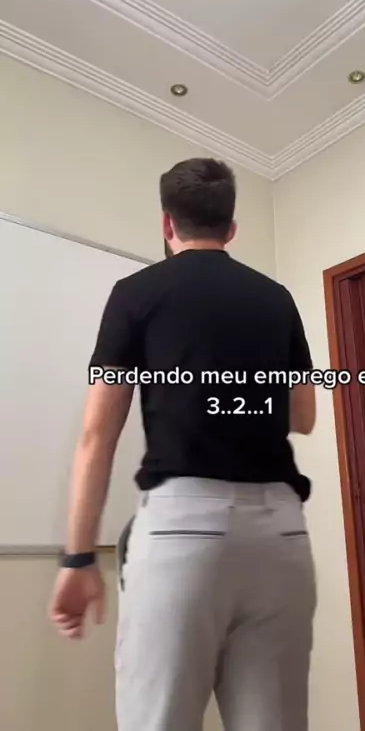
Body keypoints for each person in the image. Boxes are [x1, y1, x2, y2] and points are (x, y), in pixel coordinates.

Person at [50, 158, 317, 731]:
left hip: (183, 531)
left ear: (168, 224)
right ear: (231, 228)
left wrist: (78, 557)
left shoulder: (136, 293)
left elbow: (97, 435)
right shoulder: (277, 298)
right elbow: (304, 417)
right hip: (282, 535)